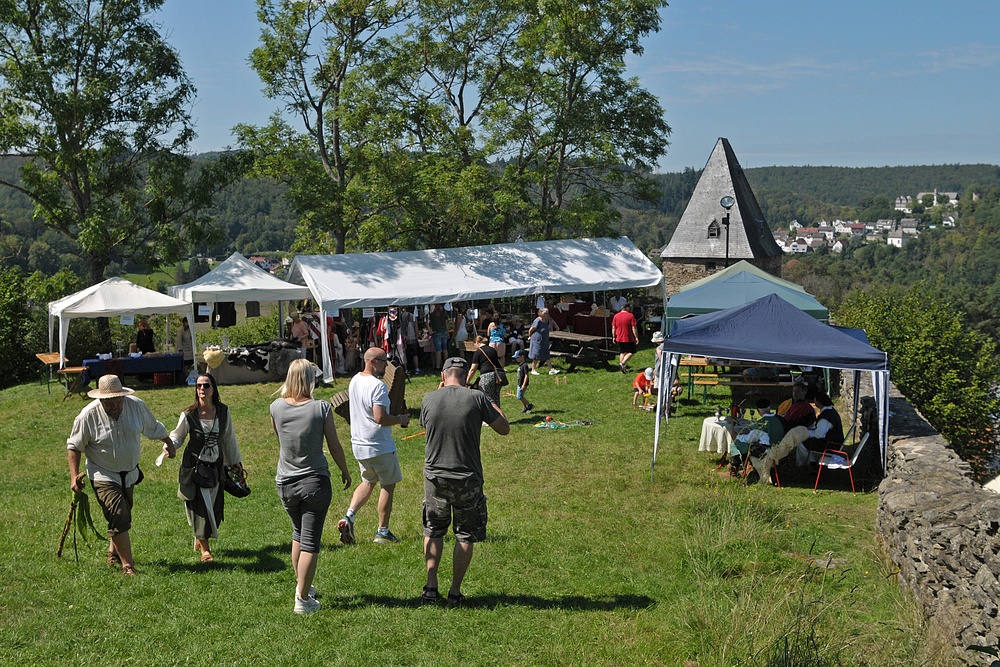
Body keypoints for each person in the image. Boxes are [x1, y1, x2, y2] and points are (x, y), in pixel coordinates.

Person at [419, 357, 510, 606]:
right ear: (465, 376)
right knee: (464, 535)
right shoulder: (476, 398)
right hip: (467, 476)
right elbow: (504, 428)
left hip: (435, 476)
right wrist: (490, 401)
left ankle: (430, 586)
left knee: (433, 530)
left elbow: (428, 428)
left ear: (443, 374)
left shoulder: (429, 398)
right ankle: (455, 591)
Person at [66, 374, 175, 575]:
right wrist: (74, 477)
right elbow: (74, 447)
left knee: (122, 515)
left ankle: (113, 554)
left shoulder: (136, 406)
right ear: (100, 399)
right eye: (109, 401)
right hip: (103, 474)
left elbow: (152, 426)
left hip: (130, 473)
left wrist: (168, 442)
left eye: (118, 399)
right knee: (118, 514)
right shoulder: (87, 416)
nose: (114, 404)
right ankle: (128, 566)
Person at [270, 359, 352, 614]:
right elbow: (335, 445)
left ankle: (302, 586)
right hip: (314, 481)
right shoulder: (321, 408)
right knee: (310, 542)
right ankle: (302, 600)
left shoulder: (275, 408)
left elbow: (281, 440)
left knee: (298, 533)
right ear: (309, 379)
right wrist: (345, 470)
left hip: (285, 482)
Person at [338, 347, 411, 545]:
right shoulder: (377, 386)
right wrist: (400, 418)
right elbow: (380, 418)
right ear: (372, 361)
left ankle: (349, 517)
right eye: (383, 361)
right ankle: (383, 531)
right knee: (387, 485)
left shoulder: (354, 380)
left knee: (368, 481)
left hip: (359, 445)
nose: (386, 365)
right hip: (379, 445)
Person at [169, 373, 242, 563]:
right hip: (195, 468)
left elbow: (228, 439)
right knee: (201, 508)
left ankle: (199, 538)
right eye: (199, 386)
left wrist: (235, 463)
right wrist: (169, 446)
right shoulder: (189, 415)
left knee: (214, 509)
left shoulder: (223, 412)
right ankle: (205, 551)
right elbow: (178, 436)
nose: (202, 389)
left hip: (215, 467)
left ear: (213, 388)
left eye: (206, 385)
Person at [796, 391, 845, 466]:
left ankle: (805, 464)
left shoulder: (825, 417)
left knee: (802, 444)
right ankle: (811, 462)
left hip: (831, 445)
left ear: (818, 402)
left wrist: (807, 433)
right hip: (834, 442)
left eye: (815, 400)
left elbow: (819, 435)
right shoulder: (831, 410)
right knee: (807, 440)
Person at [467, 335, 504, 407]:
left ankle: (490, 416)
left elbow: (472, 369)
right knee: (496, 397)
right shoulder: (492, 350)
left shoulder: (478, 352)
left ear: (477, 342)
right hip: (498, 376)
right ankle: (498, 415)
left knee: (487, 398)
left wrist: (467, 381)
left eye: (474, 344)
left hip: (487, 376)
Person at [527, 307, 560, 376]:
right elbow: (531, 330)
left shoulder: (546, 320)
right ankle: (533, 370)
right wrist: (530, 336)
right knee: (536, 354)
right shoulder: (537, 321)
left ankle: (551, 370)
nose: (547, 314)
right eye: (546, 313)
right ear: (541, 314)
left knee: (546, 353)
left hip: (544, 339)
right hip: (537, 340)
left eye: (548, 313)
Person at [611, 303, 639, 374]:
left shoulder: (616, 316)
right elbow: (634, 327)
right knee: (632, 351)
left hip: (619, 337)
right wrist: (636, 337)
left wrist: (614, 336)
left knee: (622, 352)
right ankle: (622, 363)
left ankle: (622, 368)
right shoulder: (630, 316)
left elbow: (613, 327)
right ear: (627, 308)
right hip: (628, 337)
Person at [429, 303, 449, 370]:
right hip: (444, 332)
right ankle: (446, 364)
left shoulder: (432, 312)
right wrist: (447, 331)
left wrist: (430, 331)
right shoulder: (444, 312)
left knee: (438, 350)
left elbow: (427, 322)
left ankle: (438, 366)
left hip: (437, 332)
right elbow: (446, 323)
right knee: (445, 349)